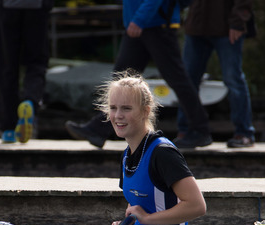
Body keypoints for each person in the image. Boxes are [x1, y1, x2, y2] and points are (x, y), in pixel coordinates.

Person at [47, 72, 206, 225]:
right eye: (113, 108)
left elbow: (197, 206)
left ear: (145, 111)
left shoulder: (163, 153)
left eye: (126, 109)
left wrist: (147, 219)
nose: (118, 115)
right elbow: (140, 207)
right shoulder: (127, 155)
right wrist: (126, 221)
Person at [64, 0, 212, 149]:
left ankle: (200, 130)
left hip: (155, 24)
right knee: (121, 81)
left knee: (177, 79)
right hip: (138, 23)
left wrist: (139, 20)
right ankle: (98, 128)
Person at [176, 0, 256, 148]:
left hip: (226, 26)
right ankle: (186, 130)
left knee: (233, 80)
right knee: (187, 80)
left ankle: (244, 132)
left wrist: (238, 21)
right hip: (196, 26)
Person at [0, 0, 53, 143]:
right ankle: (30, 100)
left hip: (8, 7)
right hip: (36, 7)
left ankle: (8, 128)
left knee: (7, 65)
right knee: (36, 62)